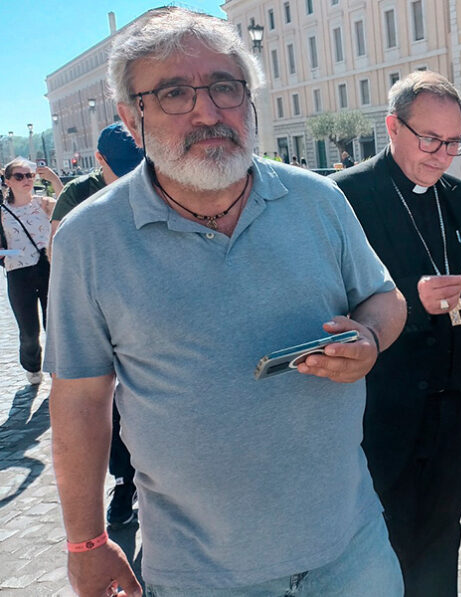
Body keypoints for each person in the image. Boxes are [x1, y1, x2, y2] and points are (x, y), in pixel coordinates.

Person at [45, 8, 406, 596]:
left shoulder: (318, 201)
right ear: (130, 119)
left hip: (353, 551)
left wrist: (367, 337)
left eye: (224, 87)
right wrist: (86, 542)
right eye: (174, 93)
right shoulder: (88, 239)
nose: (208, 111)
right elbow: (82, 401)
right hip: (202, 576)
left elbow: (384, 299)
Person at [330, 71, 461, 596]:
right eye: (431, 140)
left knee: (443, 539)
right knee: (385, 540)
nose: (444, 155)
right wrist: (410, 303)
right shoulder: (344, 198)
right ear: (393, 127)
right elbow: (330, 305)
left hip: (455, 405)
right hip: (383, 408)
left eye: (455, 142)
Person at [48, 121, 146, 530]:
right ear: (99, 160)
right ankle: (125, 481)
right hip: (101, 308)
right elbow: (60, 256)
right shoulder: (78, 195)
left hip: (146, 306)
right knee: (108, 401)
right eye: (118, 169)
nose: (128, 178)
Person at [1, 158, 57, 385]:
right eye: (19, 176)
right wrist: (11, 254)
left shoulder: (43, 203)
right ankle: (32, 366)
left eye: (30, 175)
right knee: (29, 332)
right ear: (8, 181)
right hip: (19, 274)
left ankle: (56, 368)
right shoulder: (2, 212)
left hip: (48, 269)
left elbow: (73, 208)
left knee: (53, 325)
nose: (26, 180)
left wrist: (53, 179)